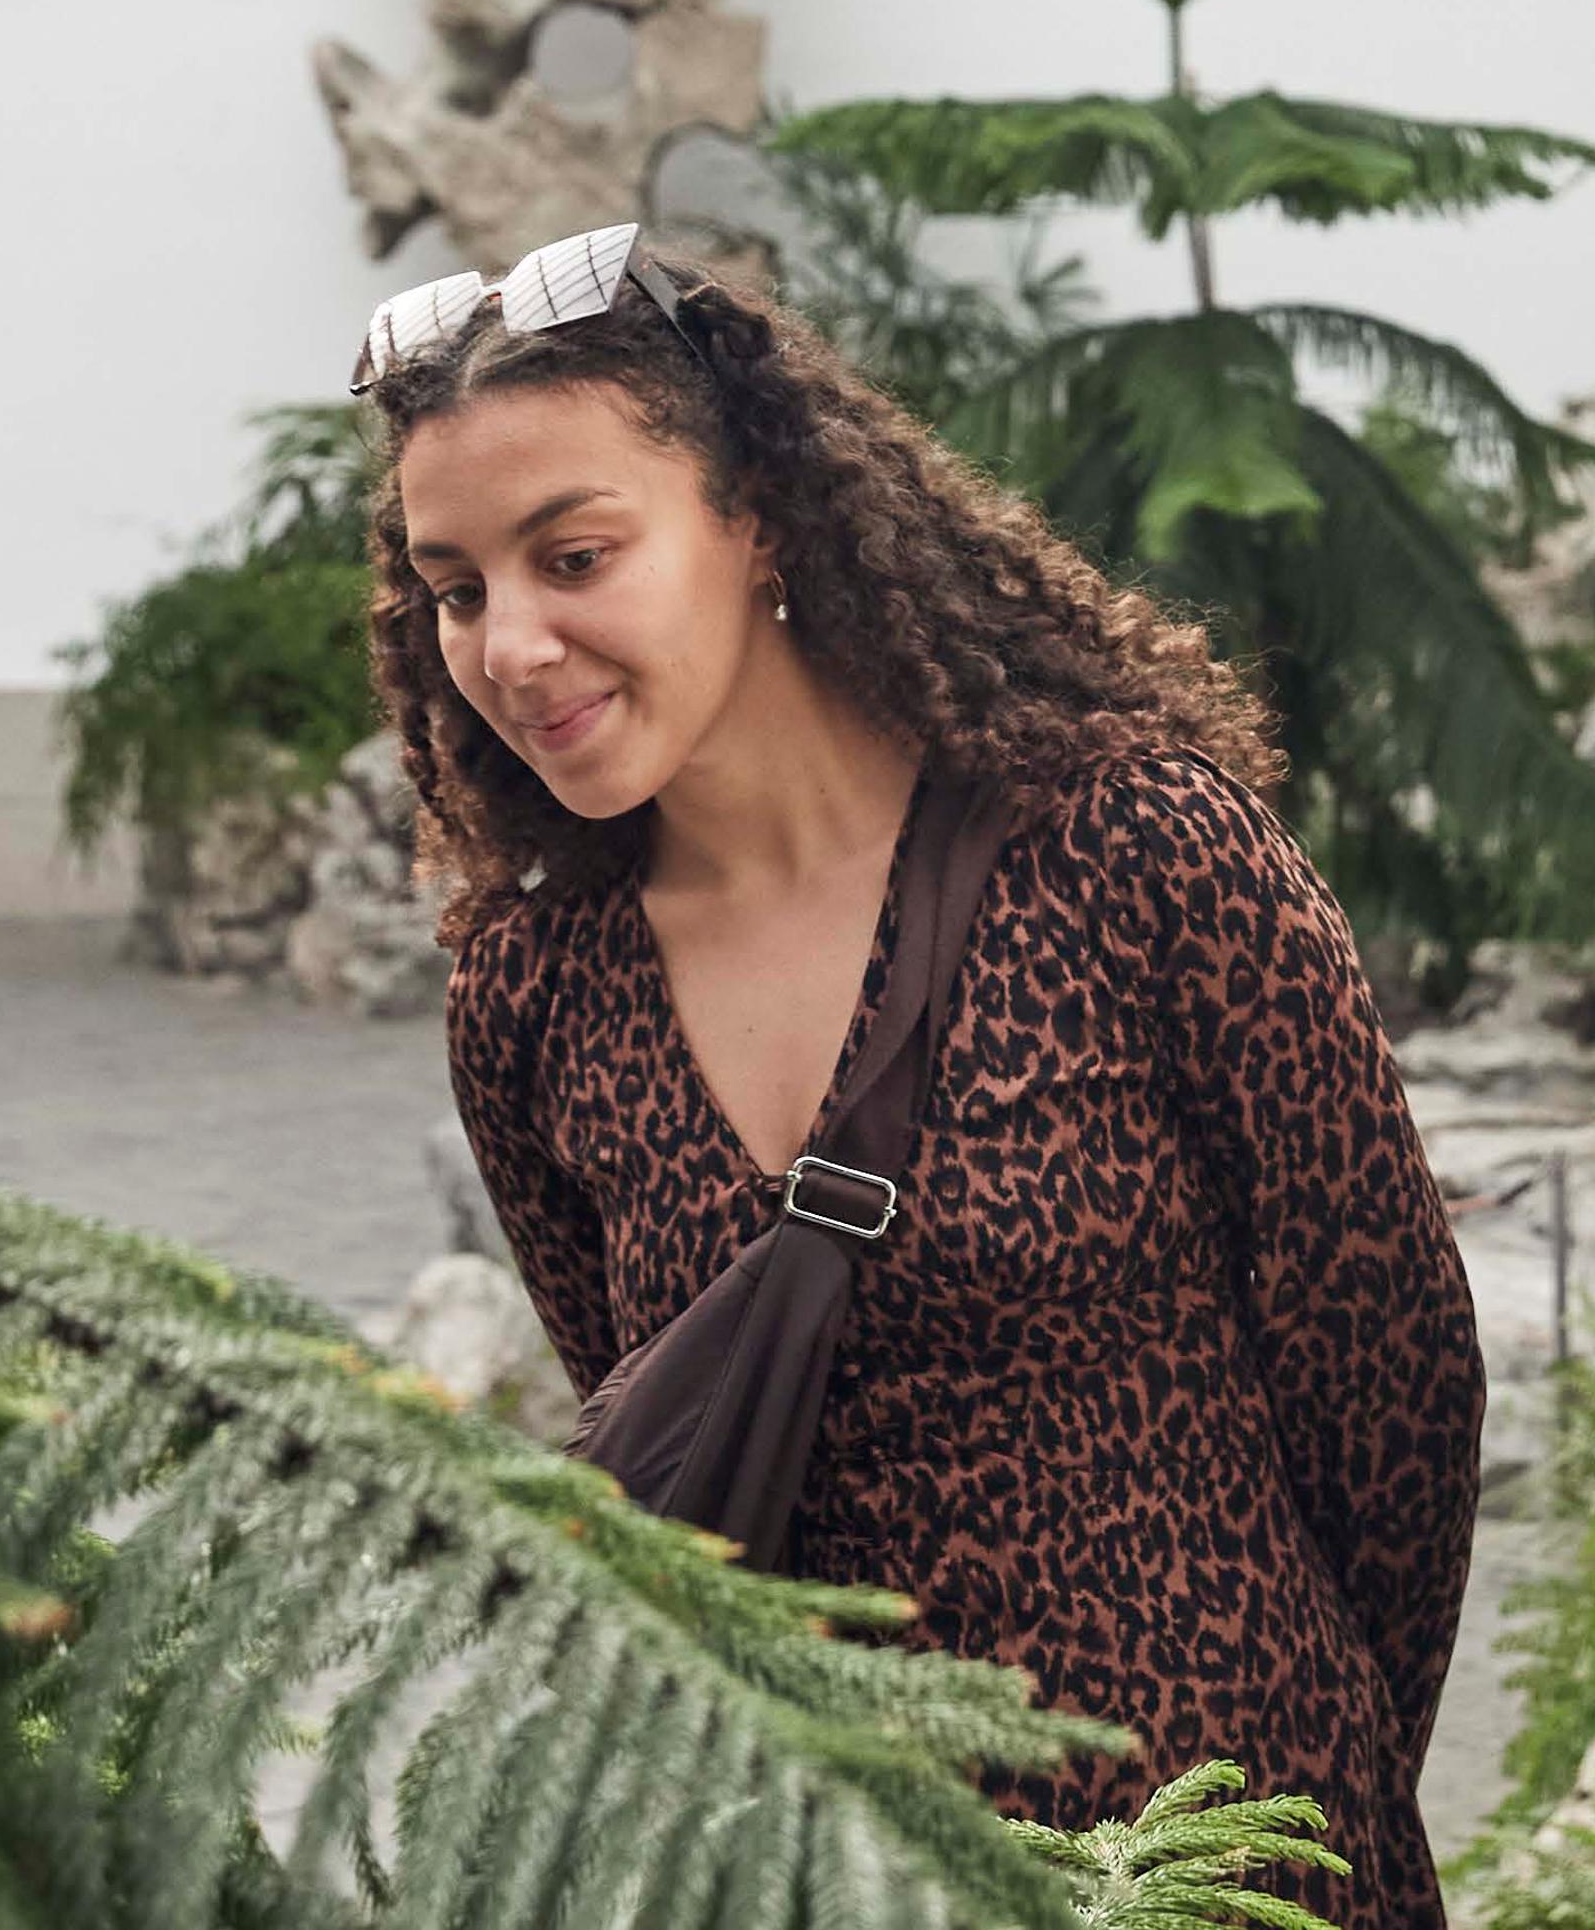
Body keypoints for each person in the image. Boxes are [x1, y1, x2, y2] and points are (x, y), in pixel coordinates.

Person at [364, 227, 1479, 1926]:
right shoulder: (533, 994)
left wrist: (1304, 1785)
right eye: (457, 589)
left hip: (1224, 1861)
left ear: (763, 522)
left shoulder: (1140, 853)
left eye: (572, 555)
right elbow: (685, 1484)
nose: (510, 643)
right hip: (820, 1880)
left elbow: (1392, 1400)